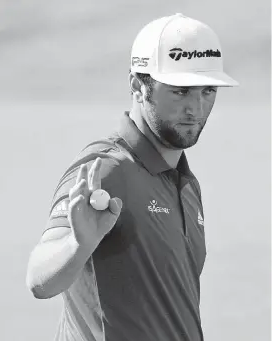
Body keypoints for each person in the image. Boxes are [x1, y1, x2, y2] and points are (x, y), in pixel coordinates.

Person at [26, 13, 238, 341]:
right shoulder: (105, 167)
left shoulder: (187, 183)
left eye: (207, 91)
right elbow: (39, 279)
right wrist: (77, 244)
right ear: (138, 86)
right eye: (180, 91)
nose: (195, 108)